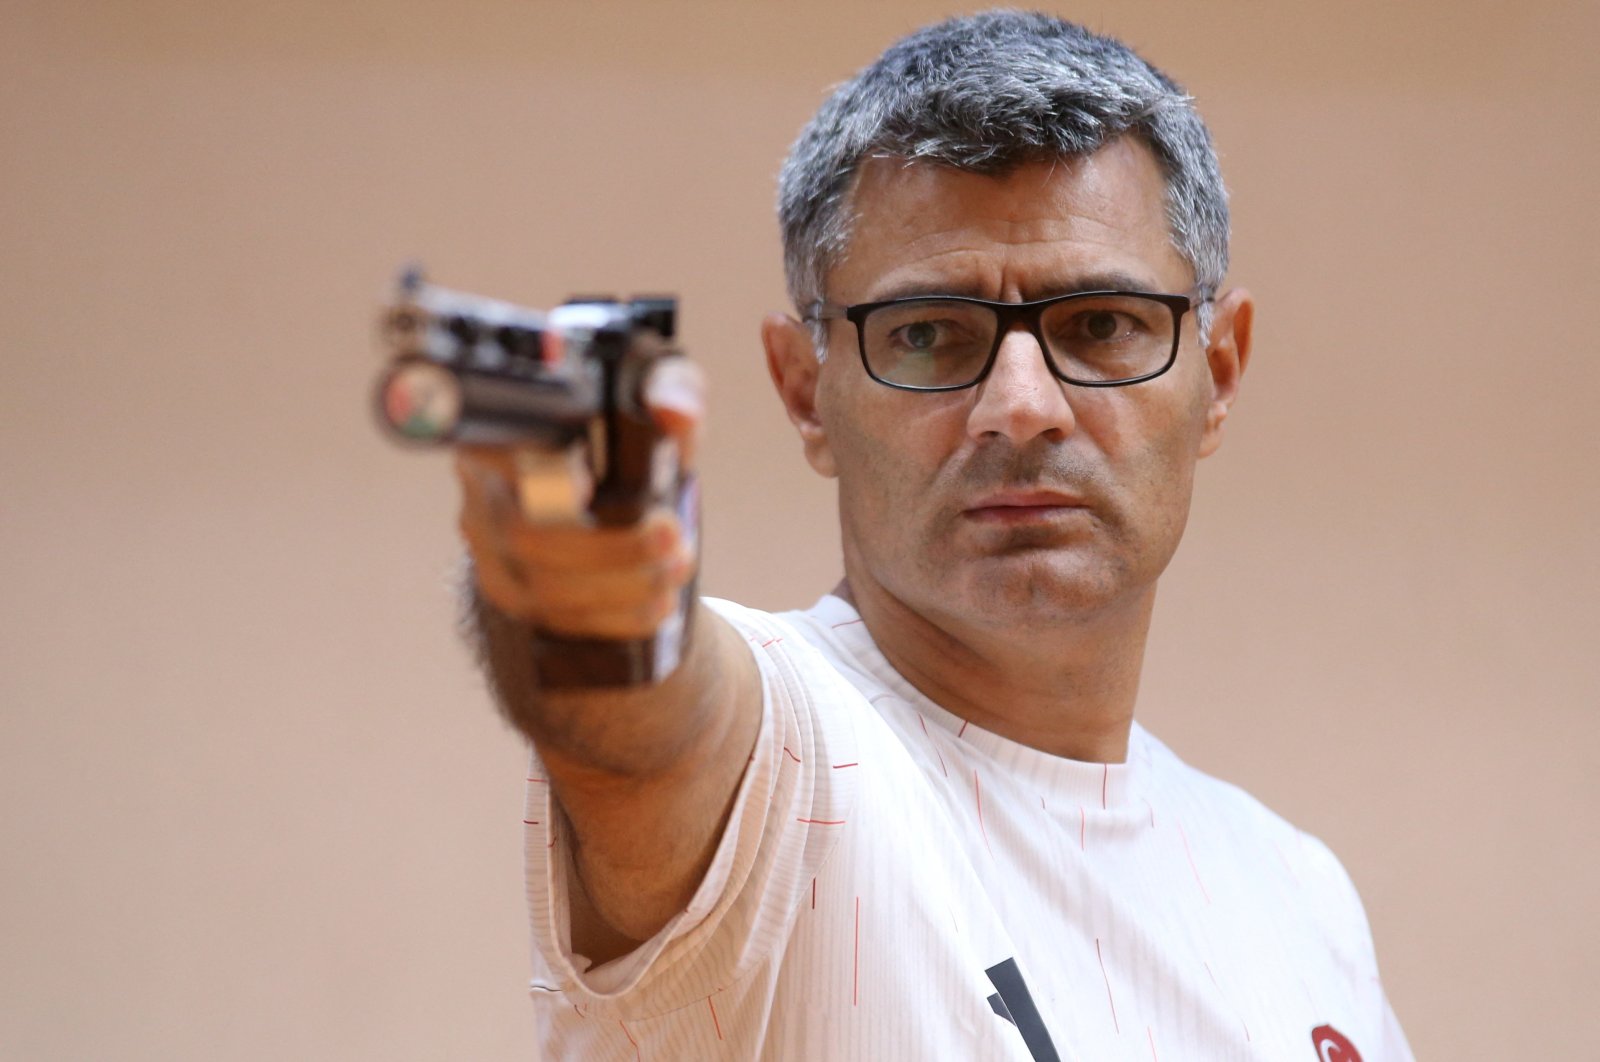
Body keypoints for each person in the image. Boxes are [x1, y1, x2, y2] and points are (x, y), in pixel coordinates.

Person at [455, 11, 1413, 1060]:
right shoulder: (792, 757)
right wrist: (580, 561)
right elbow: (642, 727)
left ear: (1218, 371)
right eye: (925, 335)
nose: (1021, 404)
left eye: (1099, 325)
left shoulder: (1296, 893)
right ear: (804, 390)